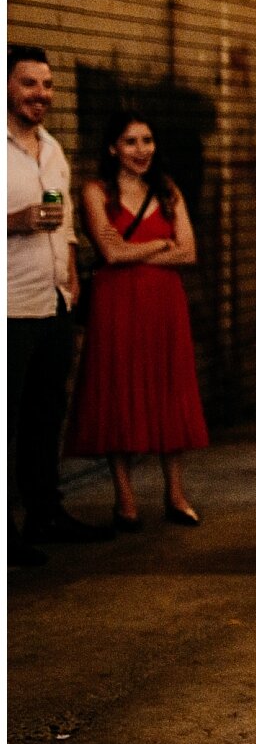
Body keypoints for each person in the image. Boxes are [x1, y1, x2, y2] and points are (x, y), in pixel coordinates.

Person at [67, 111, 209, 528]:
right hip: (116, 304)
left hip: (165, 305)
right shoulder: (96, 191)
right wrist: (162, 242)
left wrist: (140, 248)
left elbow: (189, 252)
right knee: (118, 390)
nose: (141, 150)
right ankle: (125, 499)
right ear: (113, 148)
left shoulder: (166, 190)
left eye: (147, 140)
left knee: (168, 388)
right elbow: (110, 253)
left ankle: (176, 493)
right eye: (130, 142)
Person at [7, 46, 109, 564]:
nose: (40, 95)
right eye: (29, 84)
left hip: (52, 303)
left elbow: (64, 222)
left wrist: (72, 282)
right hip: (9, 308)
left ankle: (45, 512)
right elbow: (31, 219)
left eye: (47, 85)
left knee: (46, 416)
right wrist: (15, 220)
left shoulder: (52, 149)